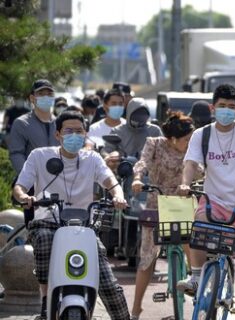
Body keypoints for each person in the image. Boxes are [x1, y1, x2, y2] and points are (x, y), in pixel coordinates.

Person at [12, 111, 130, 320]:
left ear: (85, 134)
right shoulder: (39, 156)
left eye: (79, 131)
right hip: (47, 221)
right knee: (46, 241)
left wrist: (118, 196)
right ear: (58, 135)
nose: (74, 135)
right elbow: (20, 186)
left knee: (107, 279)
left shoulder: (92, 158)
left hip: (83, 227)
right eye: (68, 131)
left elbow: (110, 181)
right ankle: (46, 303)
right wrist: (24, 197)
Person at [177, 84, 235, 295]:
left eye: (231, 106)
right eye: (222, 105)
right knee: (198, 230)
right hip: (213, 200)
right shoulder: (201, 135)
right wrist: (185, 184)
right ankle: (196, 277)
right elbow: (191, 164)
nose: (227, 110)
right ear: (212, 108)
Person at [129, 112, 198, 319]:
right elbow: (142, 163)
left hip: (182, 203)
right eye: (187, 140)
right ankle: (136, 308)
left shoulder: (192, 151)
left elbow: (200, 168)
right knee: (147, 258)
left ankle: (195, 284)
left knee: (192, 247)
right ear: (174, 139)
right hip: (157, 203)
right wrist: (137, 179)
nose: (189, 143)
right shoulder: (155, 143)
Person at [8, 79, 59, 173]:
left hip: (58, 181)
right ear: (32, 98)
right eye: (41, 94)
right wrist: (28, 176)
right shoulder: (22, 123)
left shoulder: (60, 123)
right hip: (32, 182)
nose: (46, 97)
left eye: (49, 94)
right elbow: (16, 154)